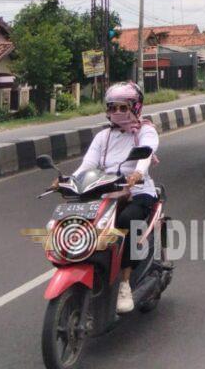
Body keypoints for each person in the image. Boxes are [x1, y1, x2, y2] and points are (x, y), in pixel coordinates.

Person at [70, 82, 160, 313]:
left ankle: (125, 283)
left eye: (123, 107)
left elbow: (147, 153)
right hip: (106, 192)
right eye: (113, 108)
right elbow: (87, 165)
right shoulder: (103, 137)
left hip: (139, 192)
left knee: (127, 221)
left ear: (136, 107)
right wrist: (70, 181)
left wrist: (138, 172)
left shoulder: (145, 131)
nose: (118, 113)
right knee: (81, 221)